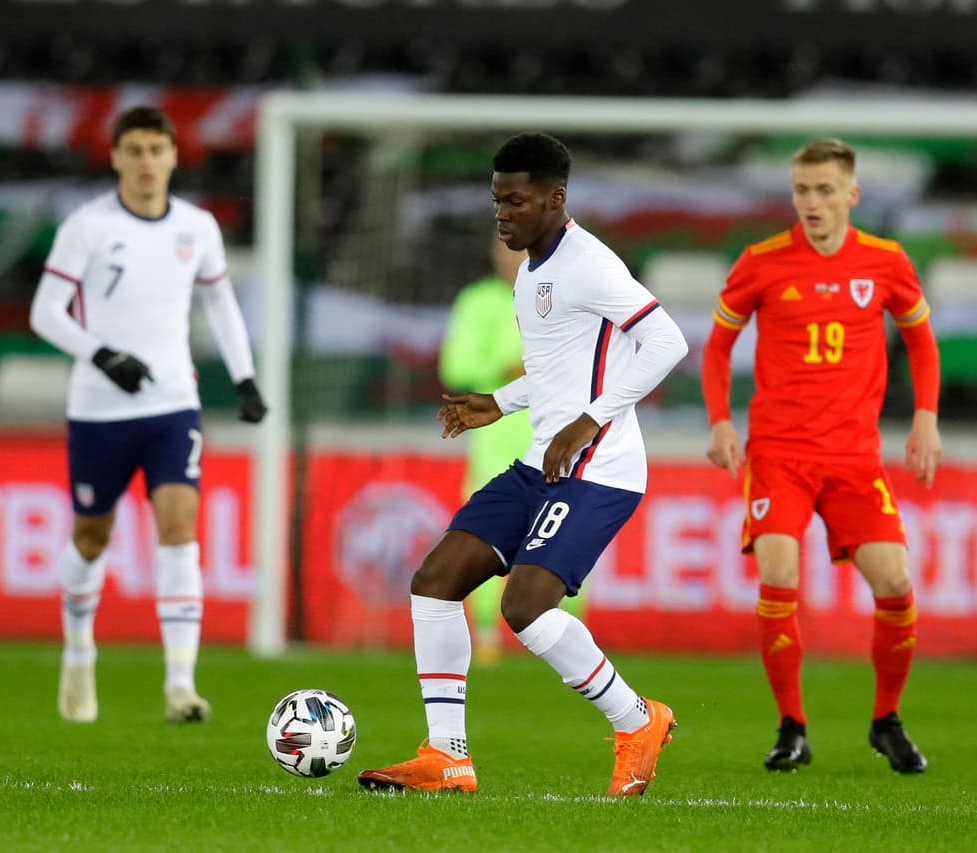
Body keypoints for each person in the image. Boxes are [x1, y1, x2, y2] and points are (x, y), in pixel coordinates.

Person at [357, 131, 688, 796]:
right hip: (542, 459)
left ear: (555, 199)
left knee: (526, 606)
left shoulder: (588, 263)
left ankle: (637, 718)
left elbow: (666, 341)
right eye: (496, 201)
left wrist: (591, 419)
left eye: (516, 201)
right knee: (436, 578)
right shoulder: (533, 270)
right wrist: (500, 403)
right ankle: (447, 755)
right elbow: (556, 370)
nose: (502, 214)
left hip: (601, 467)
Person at [702, 138, 941, 775]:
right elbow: (719, 347)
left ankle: (886, 720)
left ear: (851, 196)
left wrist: (925, 419)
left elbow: (921, 340)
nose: (812, 202)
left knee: (895, 581)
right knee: (779, 572)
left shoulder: (887, 262)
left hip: (856, 458)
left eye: (825, 190)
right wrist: (721, 422)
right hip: (779, 451)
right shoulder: (762, 261)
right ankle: (792, 727)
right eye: (802, 190)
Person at [29, 105, 266, 724]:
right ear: (114, 157)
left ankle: (181, 685)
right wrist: (101, 354)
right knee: (91, 535)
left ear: (172, 157)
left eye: (155, 150)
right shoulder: (86, 226)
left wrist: (245, 378)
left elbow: (220, 307)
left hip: (172, 403)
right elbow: (45, 312)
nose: (145, 162)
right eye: (132, 150)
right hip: (98, 408)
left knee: (179, 525)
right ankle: (79, 649)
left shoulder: (197, 226)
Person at [438, 238, 533, 666]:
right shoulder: (477, 302)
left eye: (515, 247)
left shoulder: (557, 295)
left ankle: (559, 637)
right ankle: (487, 636)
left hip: (553, 434)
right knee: (485, 536)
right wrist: (505, 364)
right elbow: (455, 368)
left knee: (562, 535)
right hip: (495, 436)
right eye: (500, 247)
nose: (507, 255)